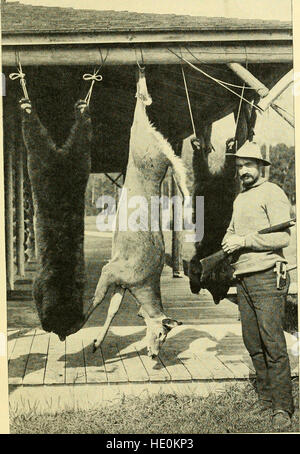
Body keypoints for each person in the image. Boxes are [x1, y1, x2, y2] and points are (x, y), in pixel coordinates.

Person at [221, 141, 294, 430]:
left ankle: (282, 408)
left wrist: (245, 241)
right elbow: (232, 230)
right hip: (244, 278)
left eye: (248, 165)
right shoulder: (241, 198)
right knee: (252, 342)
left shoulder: (273, 192)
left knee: (272, 343)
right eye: (239, 167)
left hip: (267, 276)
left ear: (261, 167)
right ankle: (265, 399)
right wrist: (228, 241)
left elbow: (282, 238)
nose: (243, 171)